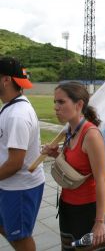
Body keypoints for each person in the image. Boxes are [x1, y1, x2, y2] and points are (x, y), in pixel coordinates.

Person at [43, 82, 105, 250]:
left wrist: (100, 222)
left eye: (61, 102)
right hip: (67, 205)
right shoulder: (69, 131)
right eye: (55, 102)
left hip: (87, 210)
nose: (56, 107)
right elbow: (74, 166)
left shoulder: (91, 135)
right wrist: (55, 154)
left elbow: (101, 179)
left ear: (79, 104)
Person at [0, 57, 45, 251]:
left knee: (21, 238)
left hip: (19, 188)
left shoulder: (17, 114)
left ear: (6, 79)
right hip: (8, 185)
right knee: (7, 227)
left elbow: (15, 163)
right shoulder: (11, 107)